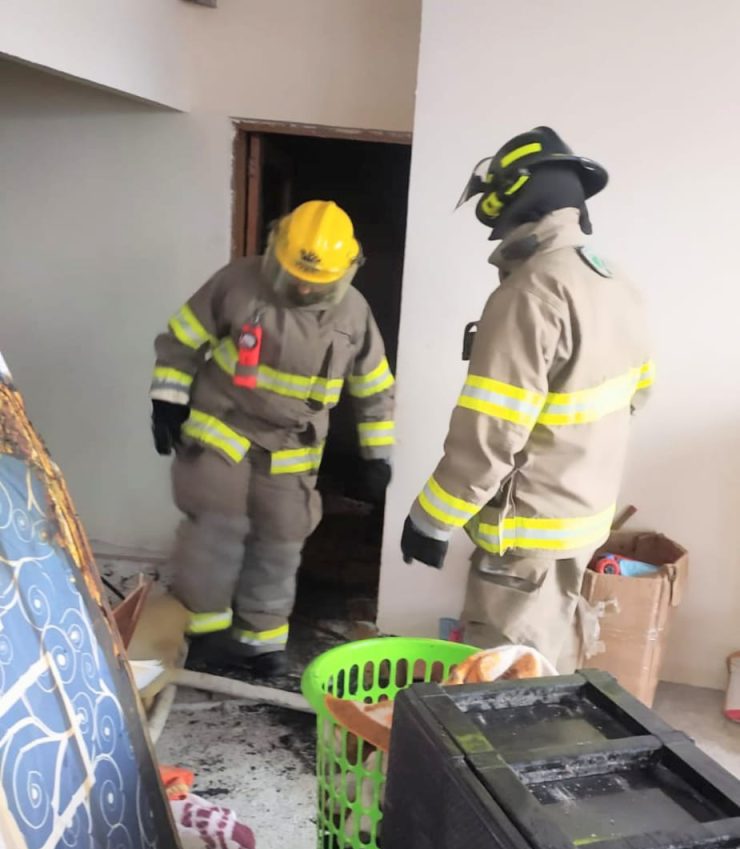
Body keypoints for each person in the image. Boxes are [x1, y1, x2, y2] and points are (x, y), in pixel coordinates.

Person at [401, 127, 654, 667]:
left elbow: (490, 434)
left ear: (512, 201)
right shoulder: (615, 282)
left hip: (528, 535)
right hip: (583, 519)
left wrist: (432, 519)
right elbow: (640, 394)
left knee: (502, 680)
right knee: (549, 662)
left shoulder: (531, 291)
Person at [150, 200, 395, 676]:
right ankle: (202, 632)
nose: (302, 287)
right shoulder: (236, 284)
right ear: (273, 250)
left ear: (347, 270)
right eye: (292, 275)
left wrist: (376, 457)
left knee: (281, 539)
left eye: (316, 282)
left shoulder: (354, 314)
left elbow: (374, 389)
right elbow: (181, 341)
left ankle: (258, 642)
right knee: (217, 529)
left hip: (292, 446)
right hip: (223, 428)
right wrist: (167, 400)